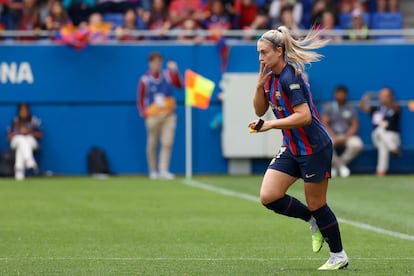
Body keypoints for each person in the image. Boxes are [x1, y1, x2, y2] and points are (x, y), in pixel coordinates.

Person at [248, 26, 348, 270]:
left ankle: (339, 255)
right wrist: (259, 84)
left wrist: (270, 125)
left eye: (264, 52)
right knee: (269, 196)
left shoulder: (290, 77)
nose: (260, 58)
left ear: (279, 51)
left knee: (317, 203)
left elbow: (303, 117)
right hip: (292, 146)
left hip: (314, 147)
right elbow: (259, 110)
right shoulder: (270, 77)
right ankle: (312, 220)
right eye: (258, 53)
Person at [137, 52, 183, 180]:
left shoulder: (168, 76)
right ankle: (153, 170)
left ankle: (164, 169)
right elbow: (140, 99)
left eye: (159, 62)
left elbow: (179, 85)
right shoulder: (145, 79)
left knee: (167, 142)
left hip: (168, 114)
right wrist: (145, 114)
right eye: (155, 62)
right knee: (152, 143)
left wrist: (175, 71)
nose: (158, 65)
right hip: (153, 116)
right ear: (150, 63)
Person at [321, 85, 363, 177]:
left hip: (347, 136)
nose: (340, 96)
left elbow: (355, 125)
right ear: (335, 94)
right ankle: (341, 167)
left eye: (343, 94)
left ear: (346, 95)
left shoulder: (350, 108)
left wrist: (345, 137)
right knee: (324, 144)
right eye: (338, 93)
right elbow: (324, 124)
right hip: (332, 135)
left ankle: (338, 166)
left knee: (357, 144)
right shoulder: (328, 107)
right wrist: (335, 137)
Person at [360, 87, 401, 176]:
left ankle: (381, 171)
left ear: (391, 97)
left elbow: (396, 108)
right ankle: (394, 149)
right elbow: (362, 107)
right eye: (381, 96)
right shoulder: (376, 109)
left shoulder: (395, 107)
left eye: (385, 96)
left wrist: (388, 102)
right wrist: (366, 98)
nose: (382, 98)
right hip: (377, 137)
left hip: (393, 137)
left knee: (383, 146)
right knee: (379, 130)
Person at [7, 103, 43, 180]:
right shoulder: (15, 121)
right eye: (22, 110)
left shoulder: (33, 121)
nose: (23, 112)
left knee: (26, 140)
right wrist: (19, 132)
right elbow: (9, 136)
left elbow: (40, 135)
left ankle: (19, 171)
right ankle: (29, 160)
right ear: (19, 111)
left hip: (31, 143)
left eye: (25, 110)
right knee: (20, 139)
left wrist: (28, 132)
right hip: (16, 142)